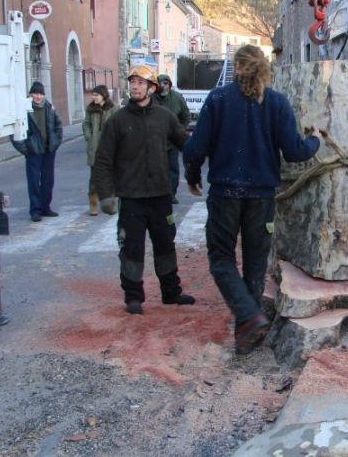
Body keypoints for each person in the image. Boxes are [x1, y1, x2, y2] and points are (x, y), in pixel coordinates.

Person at [183, 44, 321, 355]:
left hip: (225, 194)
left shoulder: (218, 99)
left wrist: (192, 176)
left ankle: (247, 318)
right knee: (255, 263)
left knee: (221, 259)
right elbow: (296, 152)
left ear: (236, 68)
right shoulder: (277, 103)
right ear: (264, 68)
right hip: (262, 196)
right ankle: (248, 328)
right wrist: (316, 140)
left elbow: (195, 148)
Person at [93, 65, 194, 315]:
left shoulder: (165, 117)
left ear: (152, 88)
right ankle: (133, 297)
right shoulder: (118, 120)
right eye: (133, 82)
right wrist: (105, 194)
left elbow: (187, 146)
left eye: (141, 82)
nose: (135, 86)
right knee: (131, 249)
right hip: (131, 198)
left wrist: (201, 162)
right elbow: (103, 159)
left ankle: (171, 292)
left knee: (165, 245)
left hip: (161, 196)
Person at [11, 81, 63, 222]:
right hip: (33, 152)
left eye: (41, 94)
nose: (38, 97)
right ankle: (35, 210)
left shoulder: (49, 108)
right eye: (35, 94)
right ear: (30, 95)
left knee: (48, 181)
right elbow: (15, 133)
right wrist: (26, 150)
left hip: (49, 150)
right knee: (34, 182)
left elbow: (58, 126)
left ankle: (46, 207)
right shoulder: (25, 110)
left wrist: (56, 143)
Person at [153, 74, 191, 204]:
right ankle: (156, 194)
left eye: (165, 83)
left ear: (169, 84)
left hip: (172, 141)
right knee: (155, 169)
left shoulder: (177, 98)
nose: (163, 86)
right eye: (160, 83)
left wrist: (179, 130)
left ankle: (171, 194)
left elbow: (186, 117)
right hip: (155, 141)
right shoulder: (151, 98)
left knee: (173, 169)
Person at [82, 85, 117, 216]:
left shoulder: (113, 109)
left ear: (103, 95)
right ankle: (93, 205)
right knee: (94, 179)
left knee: (111, 178)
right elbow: (85, 123)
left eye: (96, 95)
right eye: (93, 95)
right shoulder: (91, 109)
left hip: (110, 148)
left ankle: (110, 204)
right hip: (95, 147)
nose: (93, 97)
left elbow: (118, 125)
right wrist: (88, 136)